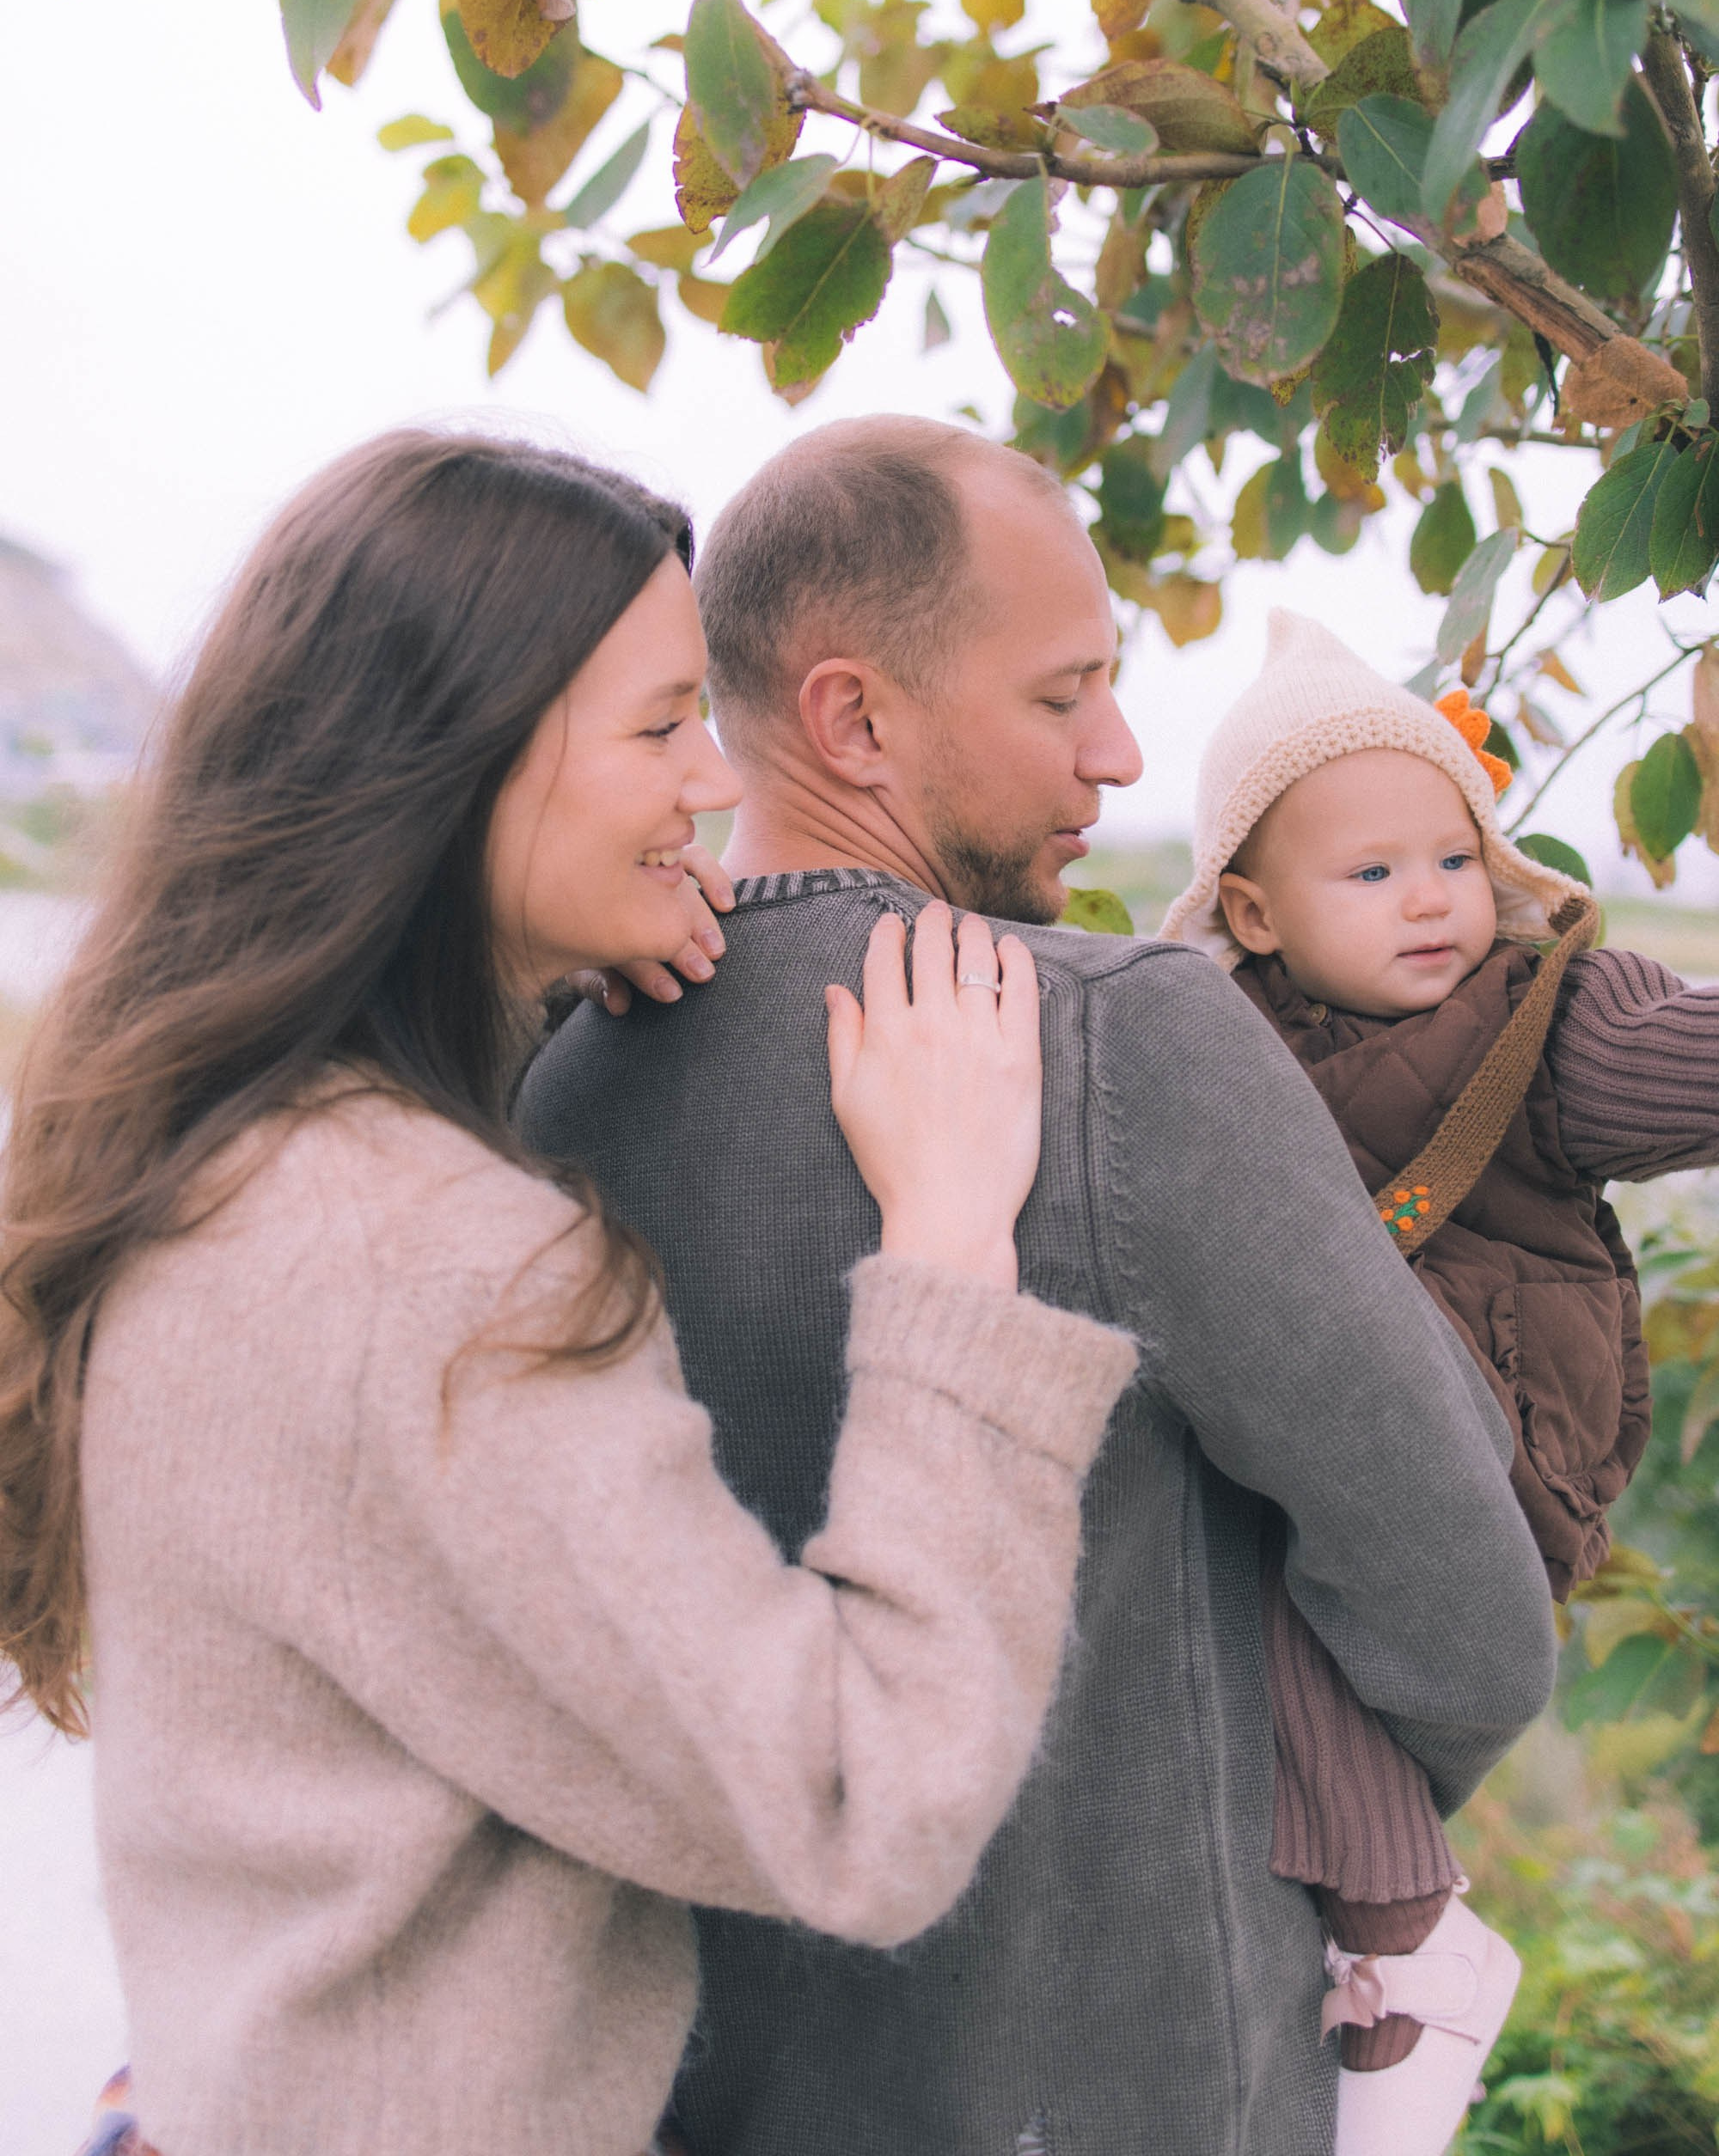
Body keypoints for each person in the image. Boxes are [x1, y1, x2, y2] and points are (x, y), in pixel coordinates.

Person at [0, 429, 1141, 2156]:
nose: (708, 785)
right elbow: (856, 1801)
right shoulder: (430, 1263)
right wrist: (949, 1253)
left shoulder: (216, 1158)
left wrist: (527, 980)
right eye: (661, 723)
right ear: (458, 767)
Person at [516, 414, 1560, 2156]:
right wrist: (1293, 1804)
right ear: (858, 717)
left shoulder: (557, 1079)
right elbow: (1467, 1615)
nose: (1119, 751)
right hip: (1133, 2088)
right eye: (1062, 694)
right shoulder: (1116, 1038)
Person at [1155, 609, 1718, 2156]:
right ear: (1255, 917)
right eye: (1374, 872)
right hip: (1361, 1445)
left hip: (1505, 1444)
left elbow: (1687, 1065)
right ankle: (1364, 1941)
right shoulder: (1219, 1042)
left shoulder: (1542, 1024)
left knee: (1269, 1584)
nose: (1433, 902)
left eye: (1456, 859)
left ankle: (1408, 1937)